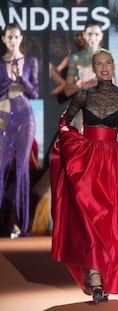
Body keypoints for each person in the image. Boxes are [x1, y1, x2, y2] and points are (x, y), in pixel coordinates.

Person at [50, 48, 118, 304]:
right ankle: (96, 278)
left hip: (114, 164)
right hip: (87, 163)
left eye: (108, 62)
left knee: (109, 224)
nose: (104, 67)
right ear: (93, 68)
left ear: (113, 66)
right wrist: (72, 142)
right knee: (91, 219)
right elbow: (64, 121)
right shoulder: (83, 95)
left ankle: (102, 275)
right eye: (99, 63)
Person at [0, 23, 38, 238]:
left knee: (23, 170)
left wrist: (21, 77)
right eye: (10, 37)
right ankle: (4, 225)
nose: (13, 41)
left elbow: (35, 92)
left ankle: (24, 227)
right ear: (4, 39)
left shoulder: (31, 62)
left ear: (21, 38)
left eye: (16, 37)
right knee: (1, 170)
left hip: (25, 118)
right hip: (4, 119)